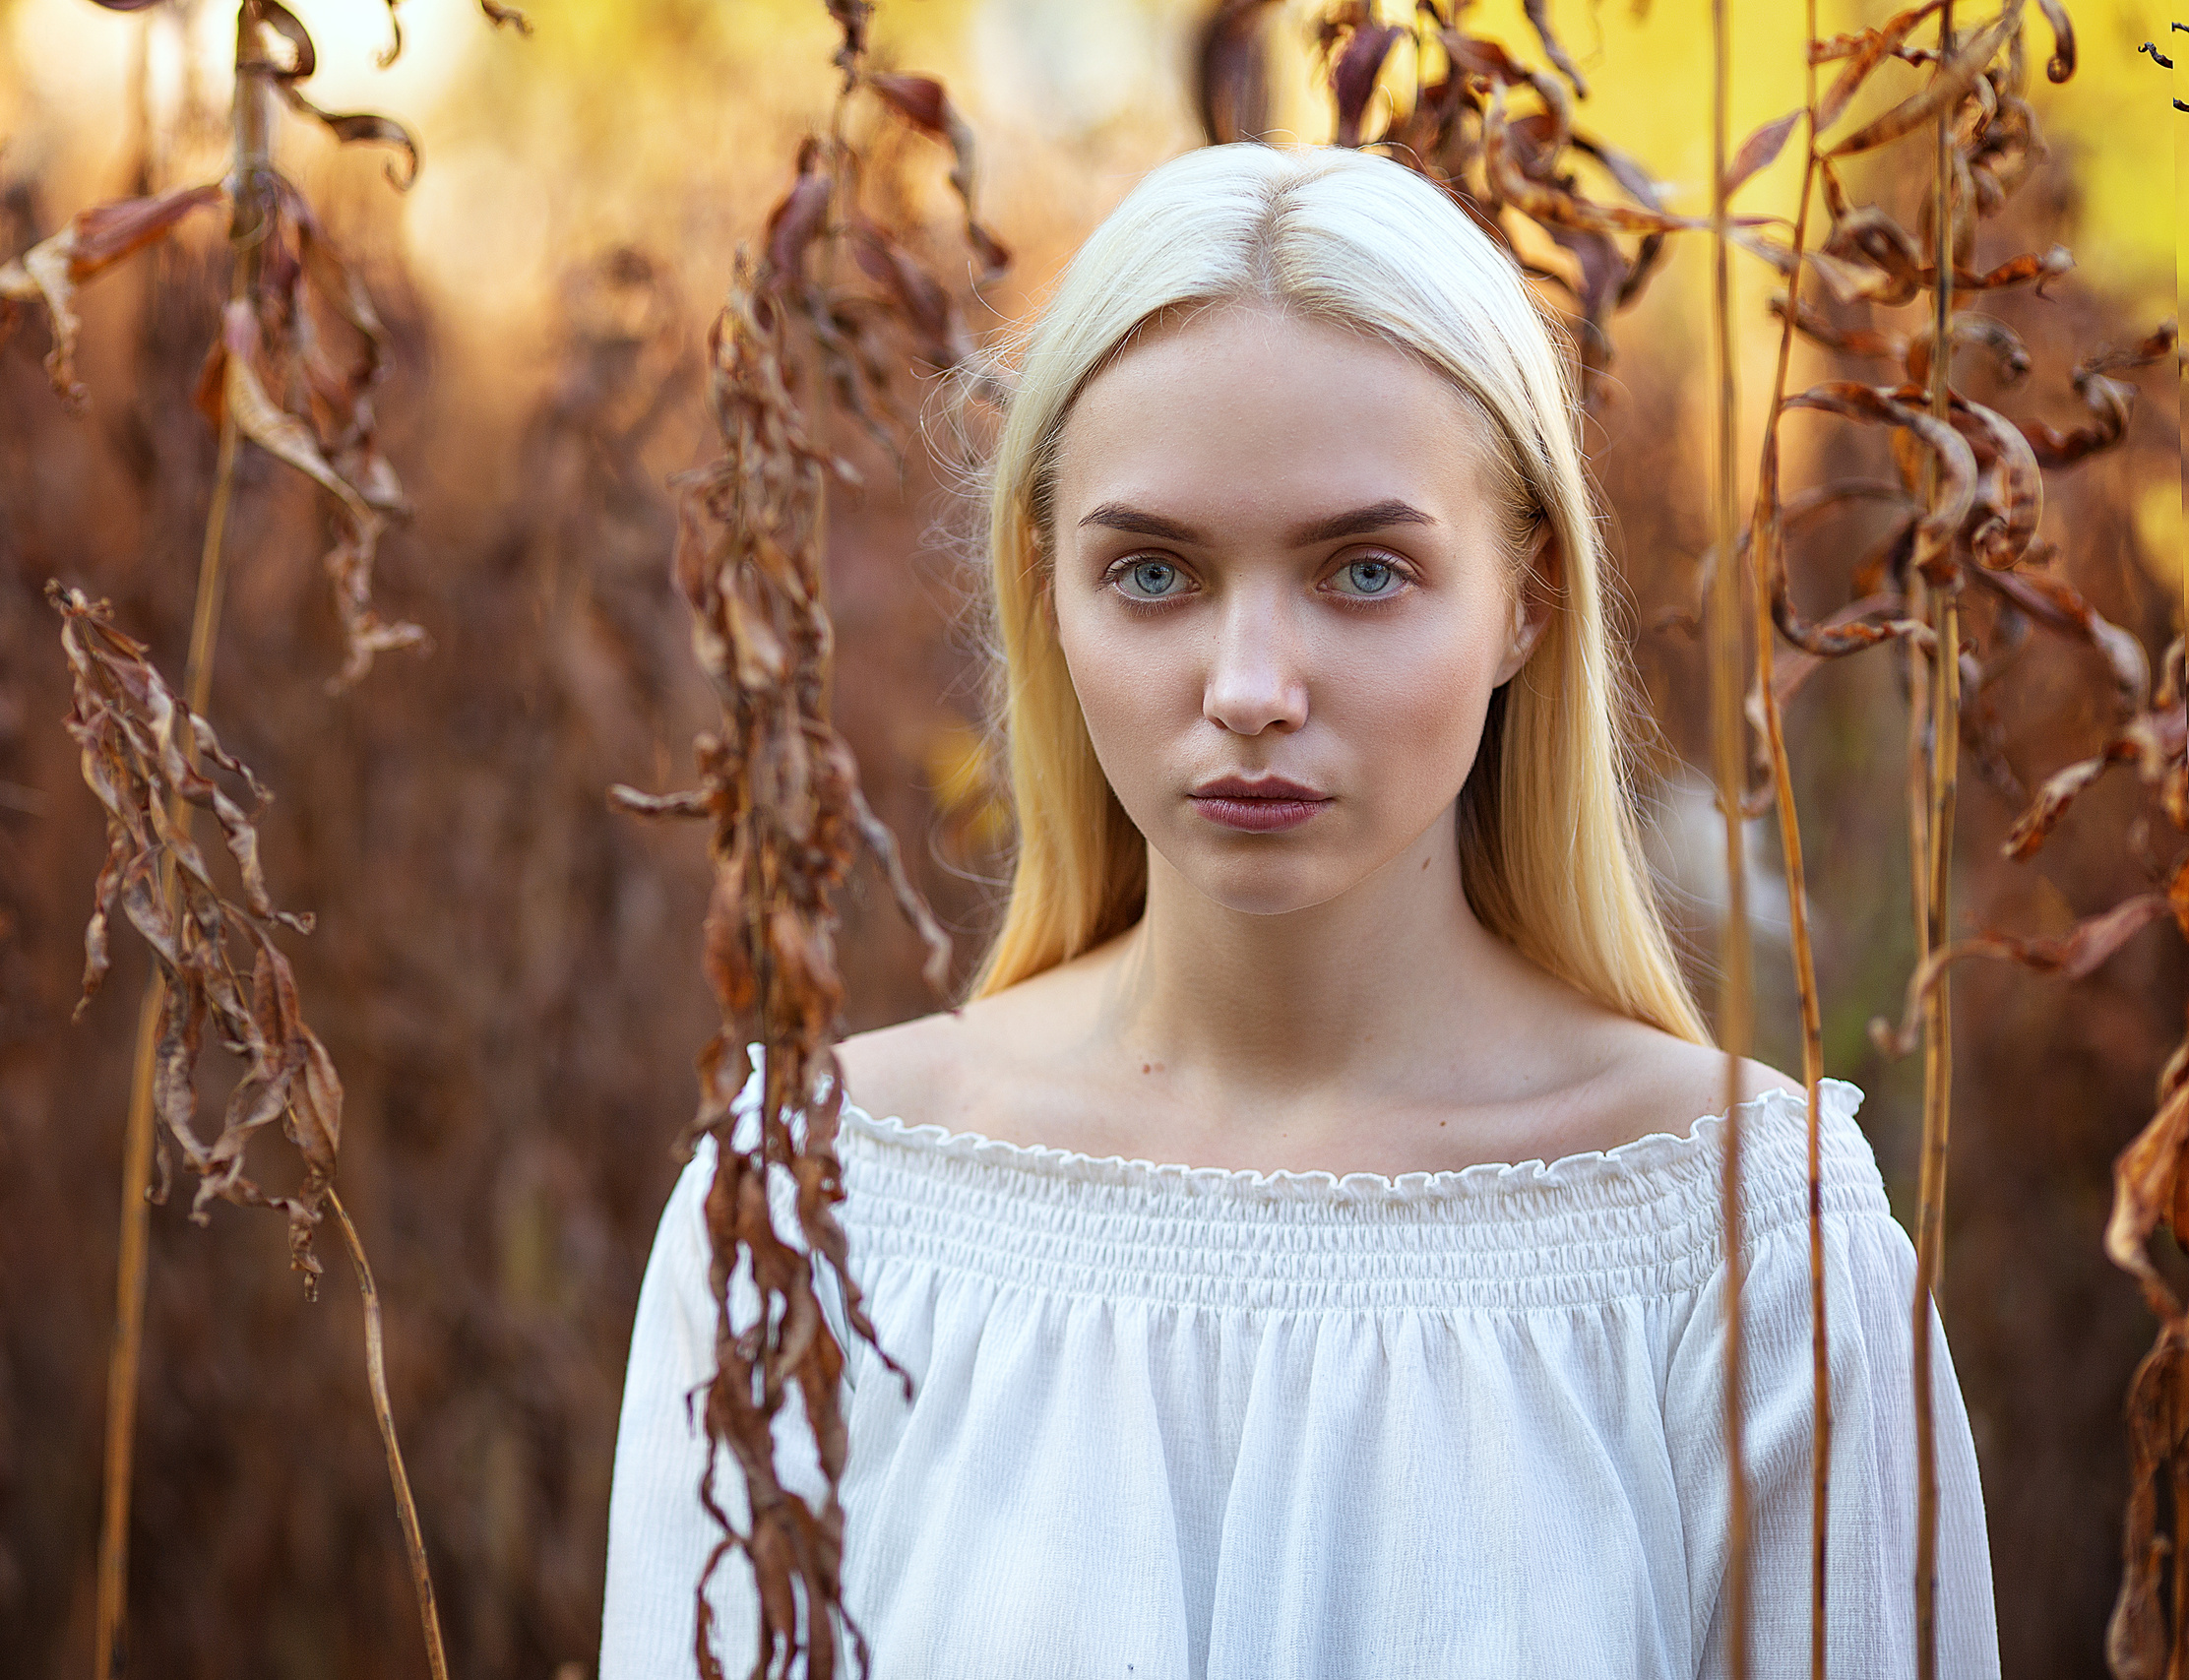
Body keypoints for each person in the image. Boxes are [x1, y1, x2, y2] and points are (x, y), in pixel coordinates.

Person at [598, 143, 1997, 1678]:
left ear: (1528, 596)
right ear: (1043, 588)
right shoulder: (813, 1207)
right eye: (1152, 573)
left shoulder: (1748, 1247)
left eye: (1364, 572)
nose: (1251, 689)